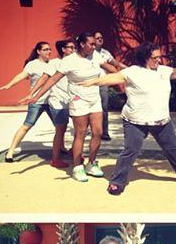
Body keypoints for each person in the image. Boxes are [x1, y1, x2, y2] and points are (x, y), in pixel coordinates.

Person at [80, 41, 176, 195]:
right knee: (130, 151)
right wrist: (93, 82)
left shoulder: (163, 71)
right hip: (135, 122)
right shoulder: (133, 72)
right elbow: (111, 78)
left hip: (161, 121)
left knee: (172, 148)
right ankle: (117, 182)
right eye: (155, 58)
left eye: (159, 57)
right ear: (145, 58)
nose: (159, 60)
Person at [26, 32, 119, 182]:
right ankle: (77, 167)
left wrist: (127, 74)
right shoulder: (69, 61)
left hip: (94, 99)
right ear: (82, 44)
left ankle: (91, 164)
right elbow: (53, 79)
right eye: (91, 44)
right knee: (80, 133)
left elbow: (111, 68)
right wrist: (36, 96)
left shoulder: (95, 55)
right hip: (78, 100)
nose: (94, 46)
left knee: (98, 132)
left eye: (95, 44)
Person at [0, 41, 59, 163]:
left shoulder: (53, 63)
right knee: (27, 125)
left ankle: (61, 148)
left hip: (52, 100)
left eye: (50, 49)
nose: (49, 52)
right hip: (36, 101)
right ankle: (10, 151)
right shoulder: (32, 64)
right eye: (46, 49)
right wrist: (9, 85)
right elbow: (21, 75)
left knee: (60, 126)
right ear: (38, 52)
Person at [23, 39, 77, 168]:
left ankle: (75, 152)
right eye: (70, 47)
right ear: (63, 49)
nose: (73, 50)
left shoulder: (75, 61)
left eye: (74, 47)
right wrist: (33, 94)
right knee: (61, 130)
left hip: (73, 100)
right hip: (58, 101)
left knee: (80, 129)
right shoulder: (54, 63)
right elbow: (44, 78)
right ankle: (55, 159)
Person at [93, 30, 127, 141]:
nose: (100, 39)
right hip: (91, 84)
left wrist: (127, 68)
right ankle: (93, 130)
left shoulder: (105, 52)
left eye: (101, 37)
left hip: (103, 84)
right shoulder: (89, 53)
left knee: (104, 108)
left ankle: (104, 132)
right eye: (97, 38)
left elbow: (115, 63)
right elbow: (110, 68)